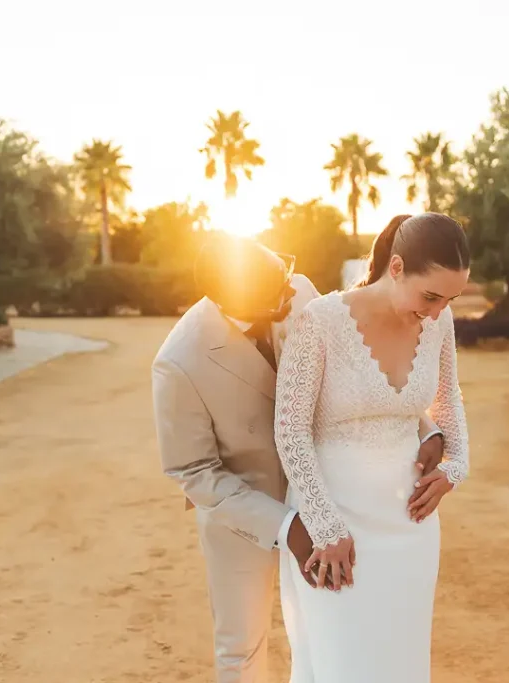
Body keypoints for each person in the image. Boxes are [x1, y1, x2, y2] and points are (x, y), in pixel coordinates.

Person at [150, 233, 447, 683]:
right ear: (237, 301)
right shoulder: (179, 361)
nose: (293, 292)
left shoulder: (299, 289)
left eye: (287, 275)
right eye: (279, 293)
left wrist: (428, 428)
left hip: (333, 498)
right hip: (248, 516)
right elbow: (193, 471)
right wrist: (287, 526)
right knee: (241, 648)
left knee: (321, 637)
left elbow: (357, 382)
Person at [275, 212, 471, 683]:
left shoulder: (439, 325)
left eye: (450, 299)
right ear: (397, 267)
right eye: (430, 296)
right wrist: (325, 525)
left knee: (399, 664)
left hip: (411, 529)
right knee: (340, 664)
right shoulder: (320, 321)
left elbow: (449, 403)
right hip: (335, 527)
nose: (439, 311)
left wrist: (456, 466)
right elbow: (290, 429)